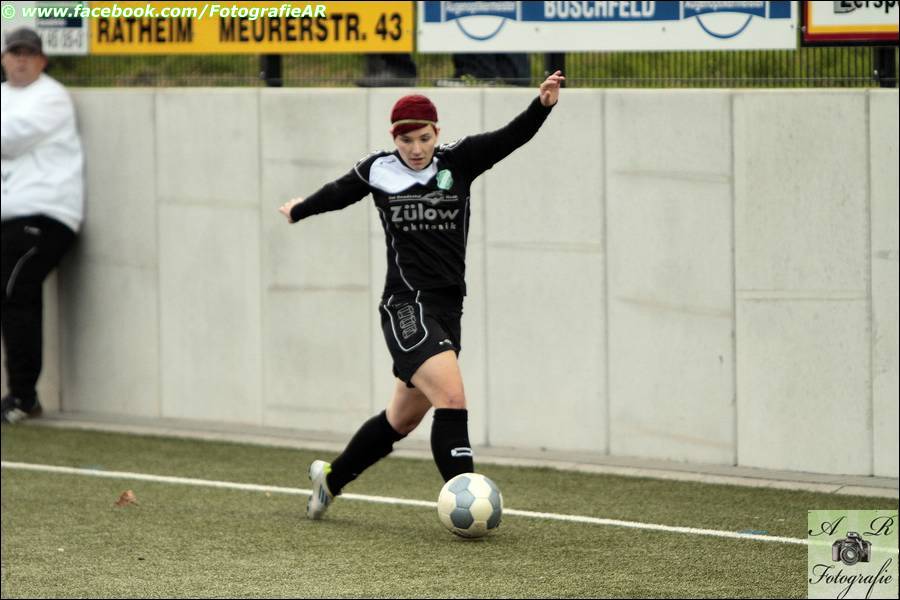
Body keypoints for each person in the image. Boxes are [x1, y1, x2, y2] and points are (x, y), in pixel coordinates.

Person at [279, 70, 565, 520]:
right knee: (451, 397)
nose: (416, 148)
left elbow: (510, 138)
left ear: (437, 132)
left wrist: (541, 106)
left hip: (449, 307)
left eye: (424, 138)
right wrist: (300, 209)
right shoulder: (378, 169)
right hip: (405, 304)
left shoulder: (460, 161)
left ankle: (330, 480)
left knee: (402, 419)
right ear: (394, 138)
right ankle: (466, 501)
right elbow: (338, 192)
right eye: (406, 139)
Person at [1, 28, 84, 423]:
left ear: (42, 61)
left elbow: (9, 139)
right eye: (14, 53)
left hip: (46, 215)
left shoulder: (51, 96)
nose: (21, 60)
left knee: (14, 288)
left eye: (28, 54)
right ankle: (22, 396)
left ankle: (22, 398)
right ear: (3, 58)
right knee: (14, 292)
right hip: (10, 217)